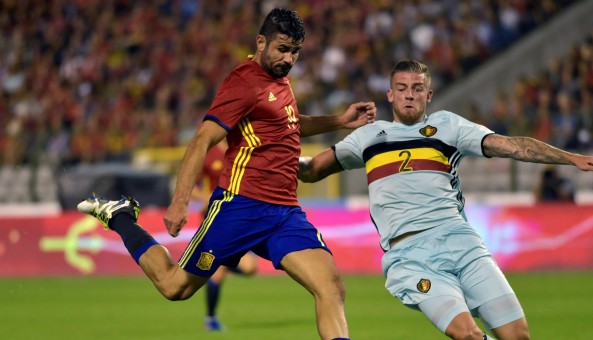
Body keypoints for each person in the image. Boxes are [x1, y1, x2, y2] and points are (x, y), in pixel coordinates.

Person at [77, 8, 375, 340]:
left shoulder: (279, 78)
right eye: (282, 49)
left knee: (331, 286)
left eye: (295, 51)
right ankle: (120, 218)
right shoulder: (244, 81)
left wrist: (339, 121)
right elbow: (203, 139)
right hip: (240, 207)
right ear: (261, 42)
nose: (289, 58)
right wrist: (179, 202)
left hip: (284, 213)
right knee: (175, 287)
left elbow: (290, 122)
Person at [298, 59, 593, 340]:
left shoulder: (448, 126)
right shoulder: (367, 136)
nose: (410, 94)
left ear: (429, 95)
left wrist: (569, 157)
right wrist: (272, 154)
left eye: (417, 88)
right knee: (465, 333)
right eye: (402, 88)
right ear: (390, 95)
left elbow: (510, 145)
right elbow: (312, 170)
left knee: (518, 335)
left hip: (462, 242)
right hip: (410, 255)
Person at [191, 139, 258, 331]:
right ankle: (210, 319)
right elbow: (191, 186)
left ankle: (219, 264)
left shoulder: (243, 150)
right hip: (214, 220)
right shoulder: (209, 154)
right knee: (218, 274)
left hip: (237, 220)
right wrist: (207, 198)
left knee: (250, 268)